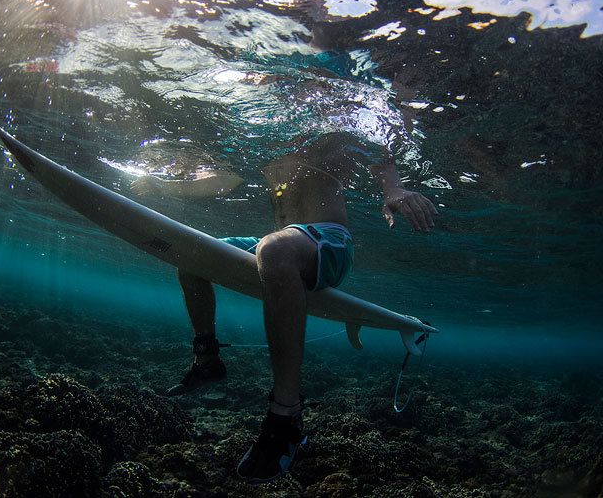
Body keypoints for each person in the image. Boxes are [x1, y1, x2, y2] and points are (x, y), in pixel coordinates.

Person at [134, 129, 438, 483]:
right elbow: (223, 179)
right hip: (284, 239)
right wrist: (162, 186)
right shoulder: (262, 129)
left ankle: (286, 415)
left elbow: (377, 149)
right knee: (190, 254)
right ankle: (207, 360)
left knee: (274, 249)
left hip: (329, 240)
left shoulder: (336, 125)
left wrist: (394, 190)